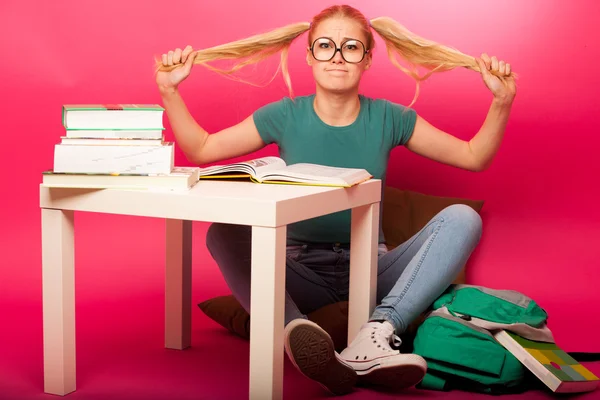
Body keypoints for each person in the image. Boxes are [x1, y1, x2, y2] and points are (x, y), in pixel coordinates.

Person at [155, 4, 516, 396]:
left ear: (367, 60)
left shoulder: (390, 118)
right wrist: (169, 90)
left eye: (351, 47)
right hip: (300, 273)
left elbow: (473, 157)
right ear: (310, 57)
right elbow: (202, 148)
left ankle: (375, 335)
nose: (338, 57)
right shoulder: (284, 115)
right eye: (326, 46)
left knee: (463, 218)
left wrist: (501, 101)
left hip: (373, 271)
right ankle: (296, 336)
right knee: (222, 233)